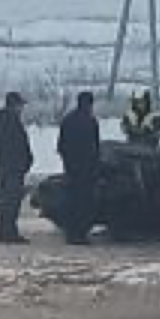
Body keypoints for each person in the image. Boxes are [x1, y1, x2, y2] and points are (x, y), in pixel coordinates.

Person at [58, 90, 101, 245]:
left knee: (72, 200)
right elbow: (95, 148)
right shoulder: (90, 121)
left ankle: (72, 232)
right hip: (86, 169)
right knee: (84, 202)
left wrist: (68, 164)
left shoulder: (68, 120)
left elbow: (61, 146)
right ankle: (80, 234)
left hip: (72, 168)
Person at [0, 91, 33, 245]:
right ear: (14, 104)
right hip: (12, 167)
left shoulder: (5, 119)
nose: (21, 108)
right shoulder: (9, 120)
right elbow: (15, 145)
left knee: (9, 201)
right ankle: (8, 232)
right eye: (20, 105)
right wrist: (24, 160)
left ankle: (5, 231)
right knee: (11, 201)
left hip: (10, 166)